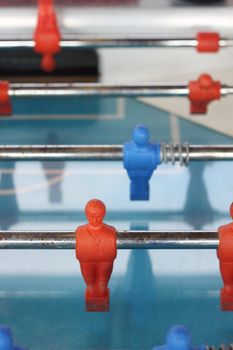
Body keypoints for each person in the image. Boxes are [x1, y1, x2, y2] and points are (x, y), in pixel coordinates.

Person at [76, 199, 117, 312]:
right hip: (86, 261)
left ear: (103, 215)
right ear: (86, 215)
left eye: (98, 216)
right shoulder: (80, 232)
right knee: (90, 284)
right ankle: (94, 300)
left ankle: (100, 300)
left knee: (102, 283)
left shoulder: (111, 232)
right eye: (91, 215)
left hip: (105, 261)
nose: (94, 219)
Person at [124, 125, 160, 200]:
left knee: (136, 183)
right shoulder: (154, 152)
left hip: (132, 174)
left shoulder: (127, 149)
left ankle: (136, 195)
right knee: (143, 183)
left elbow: (126, 165)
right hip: (147, 174)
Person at [217, 202, 233, 311]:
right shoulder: (223, 230)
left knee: (228, 287)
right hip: (226, 258)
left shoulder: (223, 230)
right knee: (228, 287)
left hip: (226, 258)